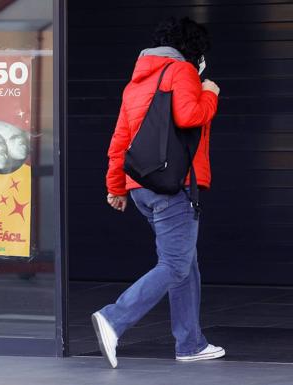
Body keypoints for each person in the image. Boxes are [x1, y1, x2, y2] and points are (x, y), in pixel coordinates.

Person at [91, 17, 223, 369]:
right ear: (193, 50)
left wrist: (115, 186)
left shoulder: (135, 82)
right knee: (176, 264)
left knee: (185, 264)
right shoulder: (181, 72)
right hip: (173, 185)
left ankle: (191, 343)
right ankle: (114, 318)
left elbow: (120, 140)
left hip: (142, 189)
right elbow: (190, 116)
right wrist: (210, 93)